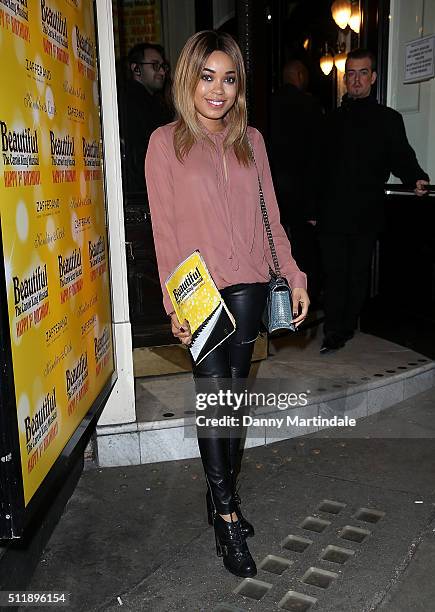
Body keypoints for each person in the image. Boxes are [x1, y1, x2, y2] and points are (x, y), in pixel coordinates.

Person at [145, 31, 309, 578]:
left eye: (229, 78)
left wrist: (293, 275)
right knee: (214, 402)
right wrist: (174, 297)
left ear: (239, 86)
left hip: (250, 286)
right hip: (200, 292)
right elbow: (165, 232)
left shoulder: (252, 141)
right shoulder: (164, 143)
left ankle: (221, 497)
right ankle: (228, 512)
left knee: (232, 405)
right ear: (188, 77)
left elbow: (274, 220)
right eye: (207, 77)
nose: (218, 91)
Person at [317, 48, 429, 354]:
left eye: (362, 73)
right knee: (335, 274)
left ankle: (346, 326)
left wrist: (416, 177)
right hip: (331, 214)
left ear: (373, 77)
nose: (356, 79)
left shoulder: (388, 120)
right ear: (345, 78)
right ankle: (334, 330)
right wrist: (311, 209)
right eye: (350, 73)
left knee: (357, 275)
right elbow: (316, 167)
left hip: (366, 213)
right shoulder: (331, 120)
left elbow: (402, 157)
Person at [269, 59, 324, 303]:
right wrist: (313, 204)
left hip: (272, 190)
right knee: (302, 251)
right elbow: (316, 156)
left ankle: (277, 302)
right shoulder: (309, 105)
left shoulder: (267, 103)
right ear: (300, 75)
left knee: (274, 249)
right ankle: (303, 300)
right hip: (301, 192)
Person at [119, 42, 173, 194]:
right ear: (136, 69)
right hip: (141, 191)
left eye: (163, 66)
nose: (162, 72)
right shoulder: (131, 102)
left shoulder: (151, 102)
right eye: (155, 65)